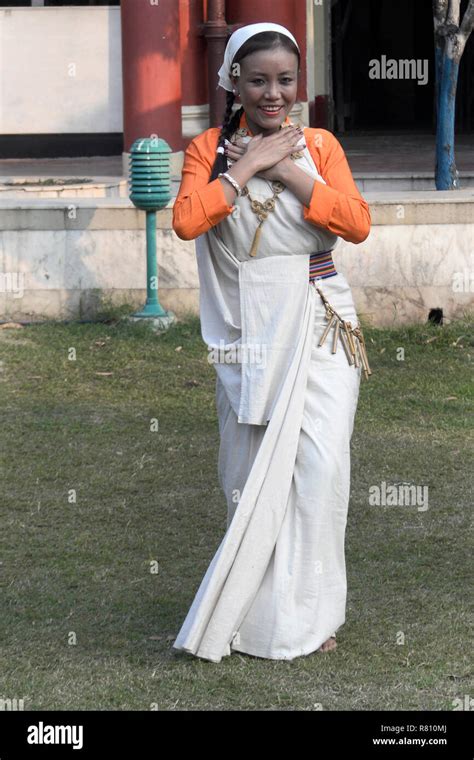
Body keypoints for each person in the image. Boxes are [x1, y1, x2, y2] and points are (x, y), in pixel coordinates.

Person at [171, 22, 371, 663]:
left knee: (321, 468)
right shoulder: (208, 148)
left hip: (319, 319)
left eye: (285, 80)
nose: (273, 93)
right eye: (257, 80)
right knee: (249, 473)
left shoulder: (319, 144)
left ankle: (313, 616)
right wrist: (247, 165)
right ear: (234, 82)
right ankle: (251, 616)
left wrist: (284, 170)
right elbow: (186, 221)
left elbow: (356, 224)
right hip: (247, 329)